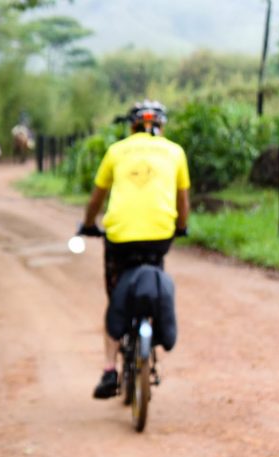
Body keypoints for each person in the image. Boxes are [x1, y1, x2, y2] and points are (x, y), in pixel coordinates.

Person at [77, 99, 190, 399]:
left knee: (116, 295)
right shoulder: (175, 152)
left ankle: (109, 370)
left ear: (132, 127)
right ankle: (150, 339)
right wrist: (181, 227)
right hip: (159, 236)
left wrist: (88, 224)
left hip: (120, 238)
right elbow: (183, 200)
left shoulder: (117, 151)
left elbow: (97, 198)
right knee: (154, 274)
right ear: (161, 126)